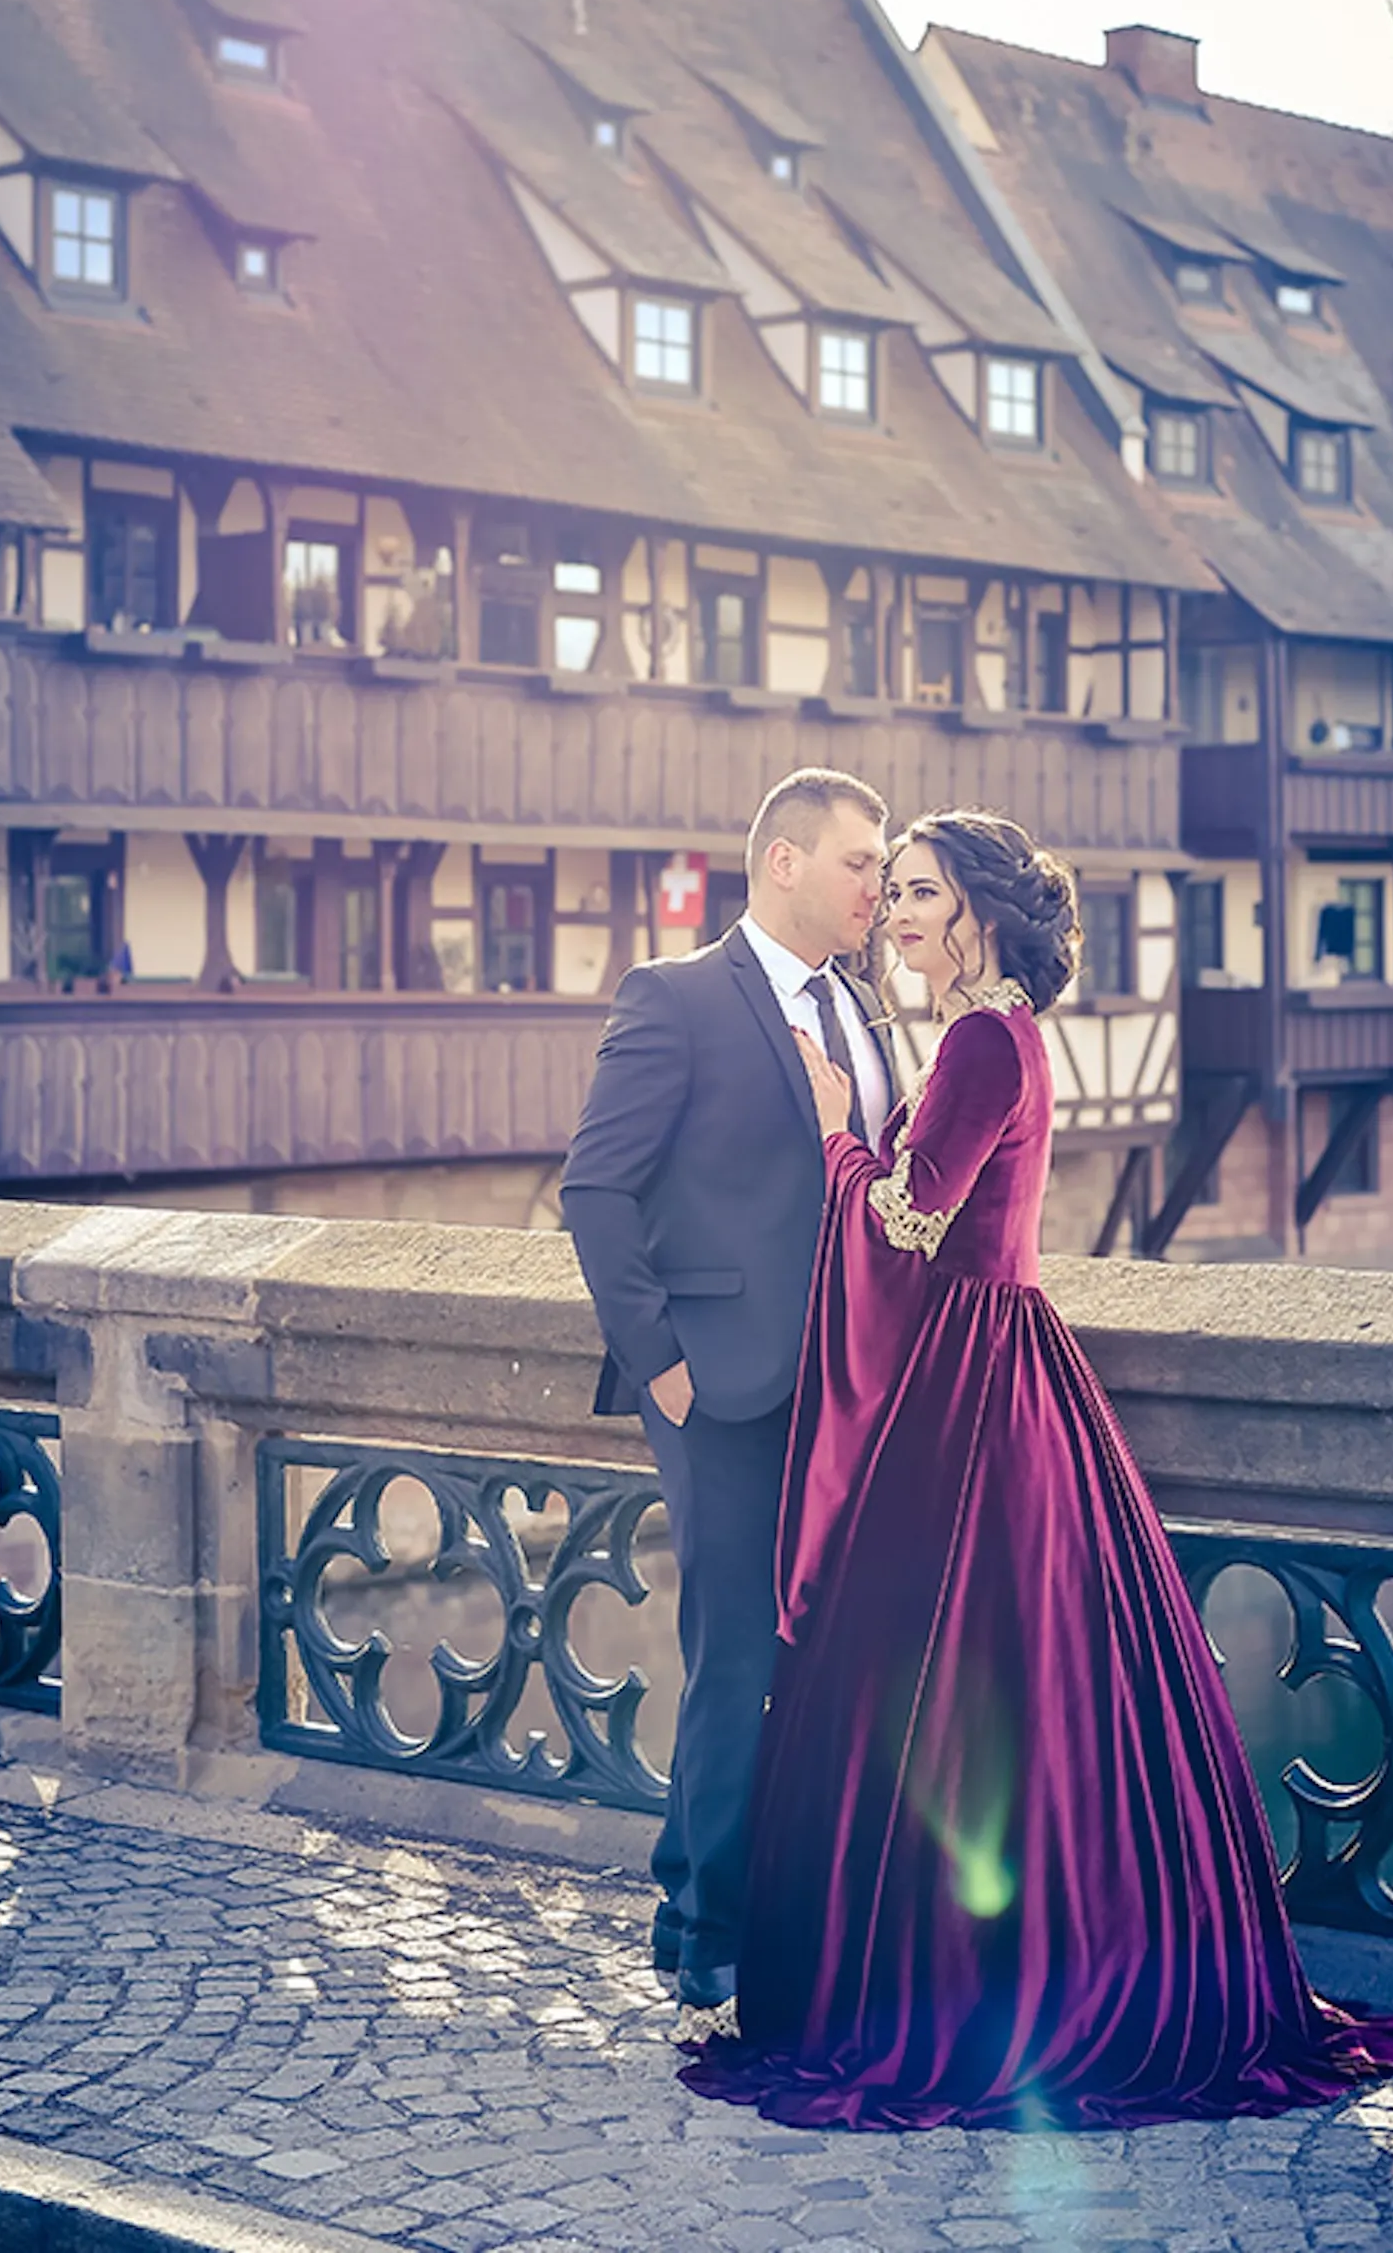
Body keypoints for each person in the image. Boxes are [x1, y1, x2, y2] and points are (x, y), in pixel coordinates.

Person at [685, 808, 1393, 2129]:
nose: (894, 915)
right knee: (1021, 1697)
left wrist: (833, 1124)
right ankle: (1019, 1964)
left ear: (973, 905)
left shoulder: (980, 1037)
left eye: (914, 892)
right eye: (890, 889)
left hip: (974, 1389)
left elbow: (912, 1219)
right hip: (1001, 1371)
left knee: (957, 1696)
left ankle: (963, 1993)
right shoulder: (1005, 1029)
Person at [560, 766, 893, 2014]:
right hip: (726, 1394)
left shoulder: (867, 1016)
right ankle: (704, 1930)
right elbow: (595, 1189)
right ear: (784, 862)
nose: (877, 886)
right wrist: (666, 1372)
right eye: (860, 862)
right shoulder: (679, 996)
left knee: (835, 1659)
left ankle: (803, 1917)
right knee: (737, 1653)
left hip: (852, 1394)